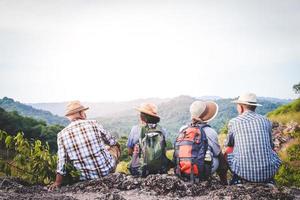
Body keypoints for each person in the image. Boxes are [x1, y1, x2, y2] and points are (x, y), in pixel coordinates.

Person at [49, 101, 120, 190]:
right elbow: (112, 142)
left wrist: (58, 182)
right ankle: (114, 174)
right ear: (81, 113)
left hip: (85, 178)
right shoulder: (94, 124)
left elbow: (62, 161)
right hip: (106, 171)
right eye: (83, 111)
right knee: (114, 147)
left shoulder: (61, 135)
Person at [225, 93, 281, 185]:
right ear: (254, 107)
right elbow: (271, 146)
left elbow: (229, 144)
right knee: (273, 151)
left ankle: (237, 178)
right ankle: (269, 179)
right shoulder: (266, 120)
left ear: (241, 107)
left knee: (228, 151)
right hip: (268, 172)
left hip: (243, 172)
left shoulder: (234, 122)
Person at [174, 100, 228, 184]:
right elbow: (217, 153)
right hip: (200, 172)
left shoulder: (183, 129)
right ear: (206, 116)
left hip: (182, 170)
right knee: (219, 157)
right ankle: (224, 182)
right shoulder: (210, 131)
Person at [127, 103, 171, 177]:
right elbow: (164, 150)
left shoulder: (135, 129)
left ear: (142, 117)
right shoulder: (162, 130)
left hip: (138, 170)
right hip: (159, 169)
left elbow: (129, 151)